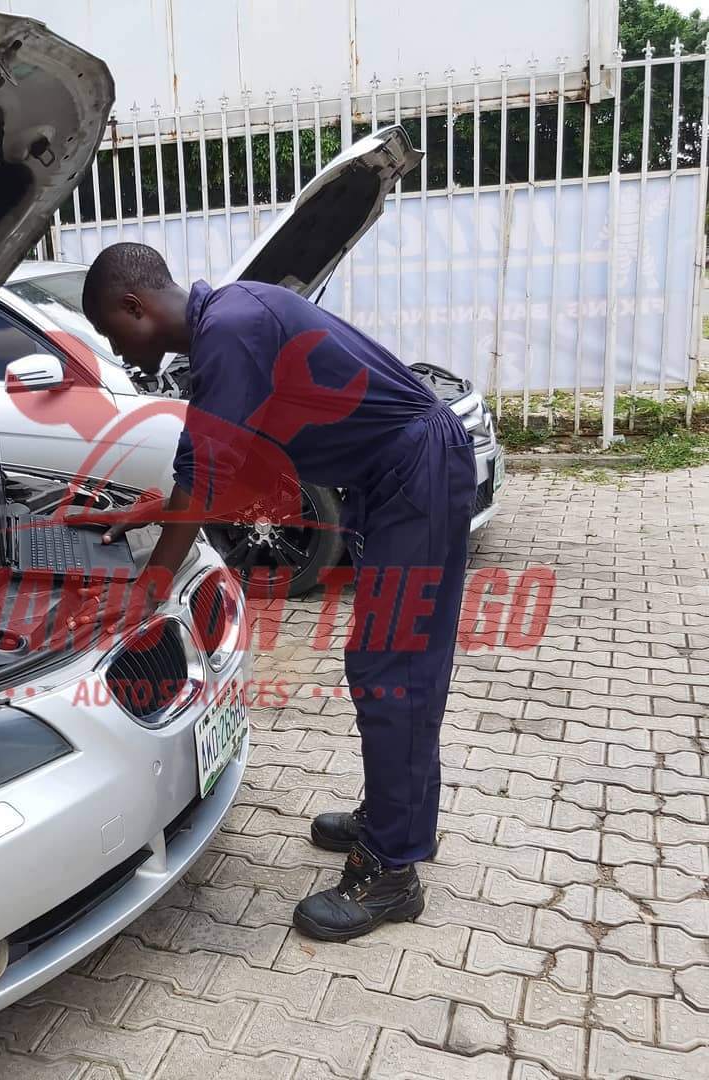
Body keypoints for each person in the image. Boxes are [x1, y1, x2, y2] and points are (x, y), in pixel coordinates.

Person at [77, 242, 477, 941]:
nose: (126, 353)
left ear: (133, 306)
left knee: (394, 670)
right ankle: (393, 818)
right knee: (387, 666)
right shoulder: (230, 324)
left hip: (415, 473)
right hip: (394, 479)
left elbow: (209, 472)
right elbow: (218, 460)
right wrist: (152, 512)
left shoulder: (231, 328)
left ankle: (391, 871)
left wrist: (151, 587)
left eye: (118, 336)